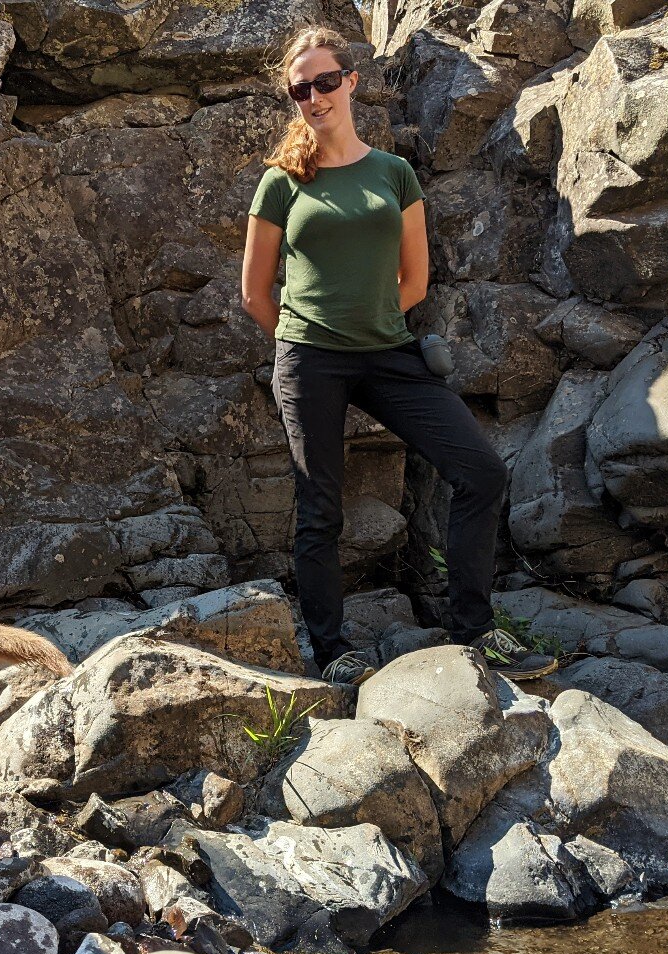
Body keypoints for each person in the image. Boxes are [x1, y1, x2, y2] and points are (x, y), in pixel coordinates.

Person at [240, 25, 559, 685]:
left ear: (351, 82)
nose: (315, 96)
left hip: (389, 352)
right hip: (310, 359)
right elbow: (253, 292)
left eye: (326, 81)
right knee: (321, 506)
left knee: (479, 470)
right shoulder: (281, 182)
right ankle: (332, 649)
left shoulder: (394, 173)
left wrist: (372, 320)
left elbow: (416, 279)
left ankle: (474, 630)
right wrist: (306, 340)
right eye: (301, 88)